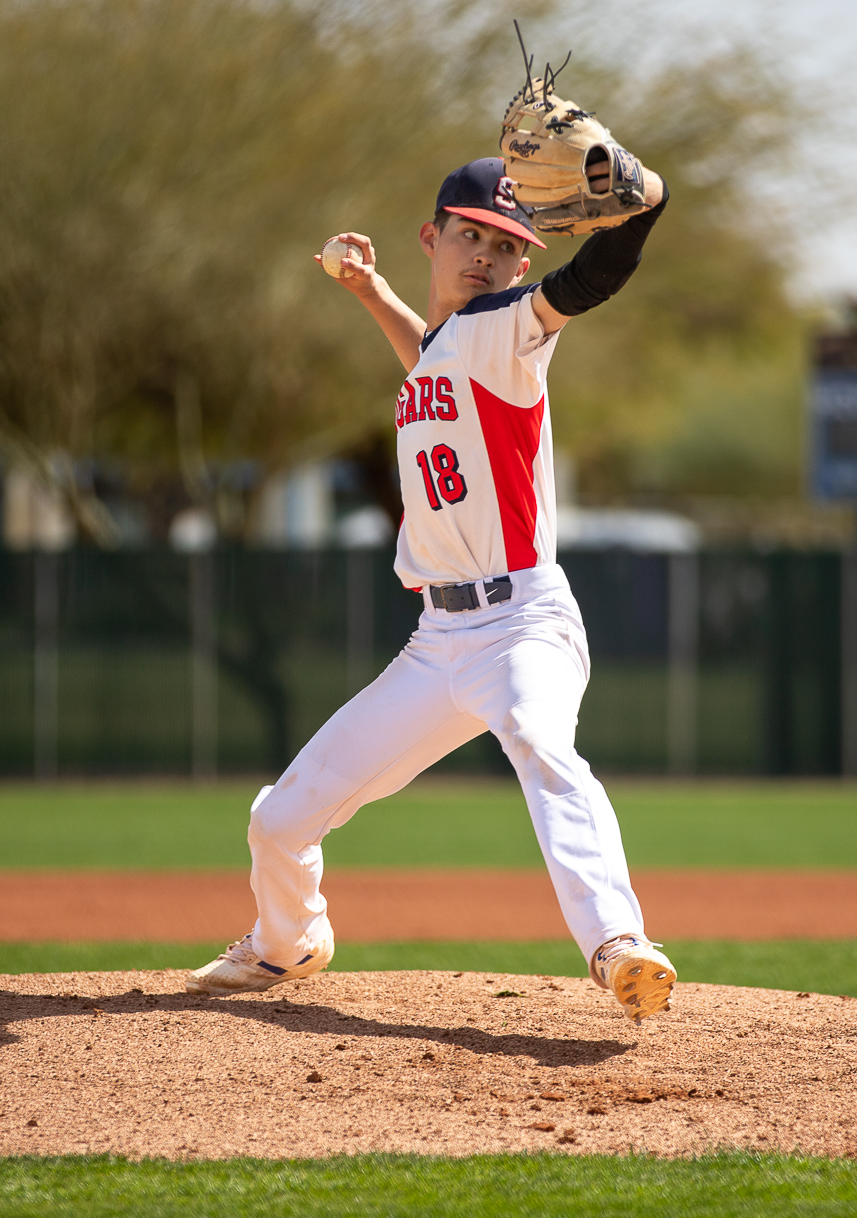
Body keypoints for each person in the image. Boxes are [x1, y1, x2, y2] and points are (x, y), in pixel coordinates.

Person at [186, 134, 679, 1021]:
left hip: (523, 622)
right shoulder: (450, 349)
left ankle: (619, 945)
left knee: (539, 739)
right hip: (438, 641)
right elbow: (428, 354)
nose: (488, 256)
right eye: (472, 236)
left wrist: (646, 210)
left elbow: (586, 284)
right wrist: (369, 291)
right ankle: (284, 943)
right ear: (432, 235)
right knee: (281, 818)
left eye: (507, 244)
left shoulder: (507, 331)